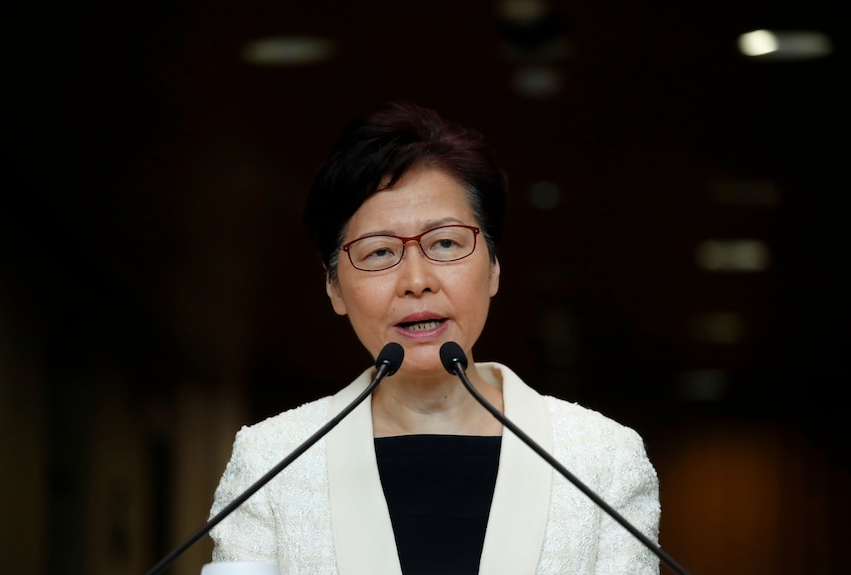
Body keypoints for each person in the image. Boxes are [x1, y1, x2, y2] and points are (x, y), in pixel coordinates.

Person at [208, 102, 661, 574]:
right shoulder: (272, 460)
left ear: (493, 267)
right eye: (380, 251)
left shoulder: (600, 458)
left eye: (445, 242)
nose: (416, 280)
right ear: (334, 287)